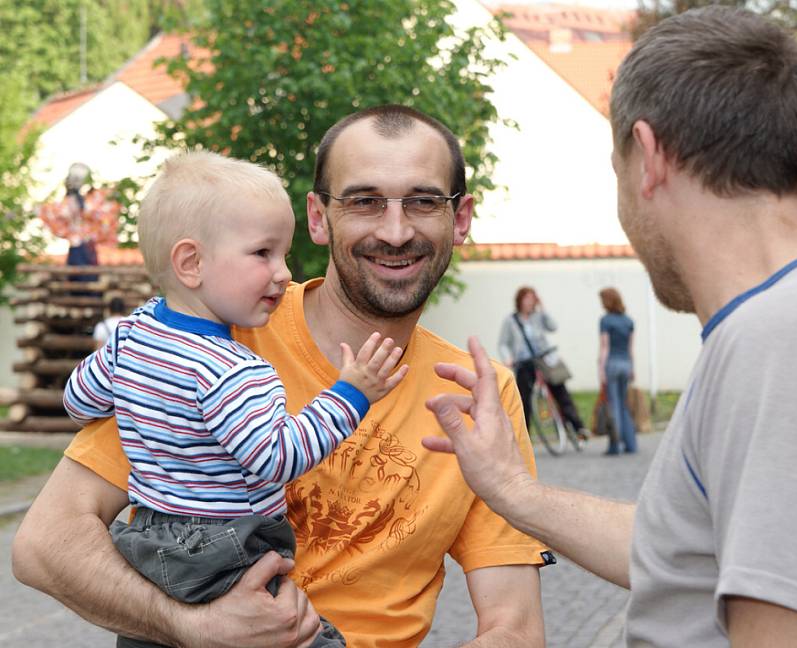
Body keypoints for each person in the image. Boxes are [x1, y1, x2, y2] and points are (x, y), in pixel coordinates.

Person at [12, 105, 551, 647]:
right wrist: (193, 627)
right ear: (318, 217)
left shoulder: (479, 394)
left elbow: (516, 628)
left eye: (424, 201)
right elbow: (45, 544)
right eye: (364, 201)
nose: (395, 230)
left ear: (460, 220)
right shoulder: (213, 337)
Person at [423, 7, 797, 647]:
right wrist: (512, 489)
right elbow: (680, 554)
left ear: (648, 156)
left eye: (615, 170)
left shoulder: (771, 339)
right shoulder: (767, 324)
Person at [62, 151, 409, 648]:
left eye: (284, 255)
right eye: (263, 254)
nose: (284, 273)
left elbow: (79, 401)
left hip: (146, 537)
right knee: (299, 634)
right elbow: (276, 457)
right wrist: (351, 394)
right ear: (192, 262)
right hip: (227, 544)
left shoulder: (131, 335)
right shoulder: (234, 368)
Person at [497, 285, 588, 439]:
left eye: (533, 299)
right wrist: (507, 358)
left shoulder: (538, 316)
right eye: (527, 298)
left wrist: (542, 307)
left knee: (561, 393)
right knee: (523, 399)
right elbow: (503, 343)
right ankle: (523, 436)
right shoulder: (511, 320)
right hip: (524, 362)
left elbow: (553, 327)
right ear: (520, 300)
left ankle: (578, 427)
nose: (530, 302)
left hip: (544, 359)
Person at [597, 287, 635, 455]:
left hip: (612, 364)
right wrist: (633, 367)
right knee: (623, 404)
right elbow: (630, 348)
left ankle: (615, 445)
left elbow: (604, 347)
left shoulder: (605, 321)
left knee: (614, 406)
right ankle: (631, 444)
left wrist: (601, 369)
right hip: (626, 364)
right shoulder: (628, 321)